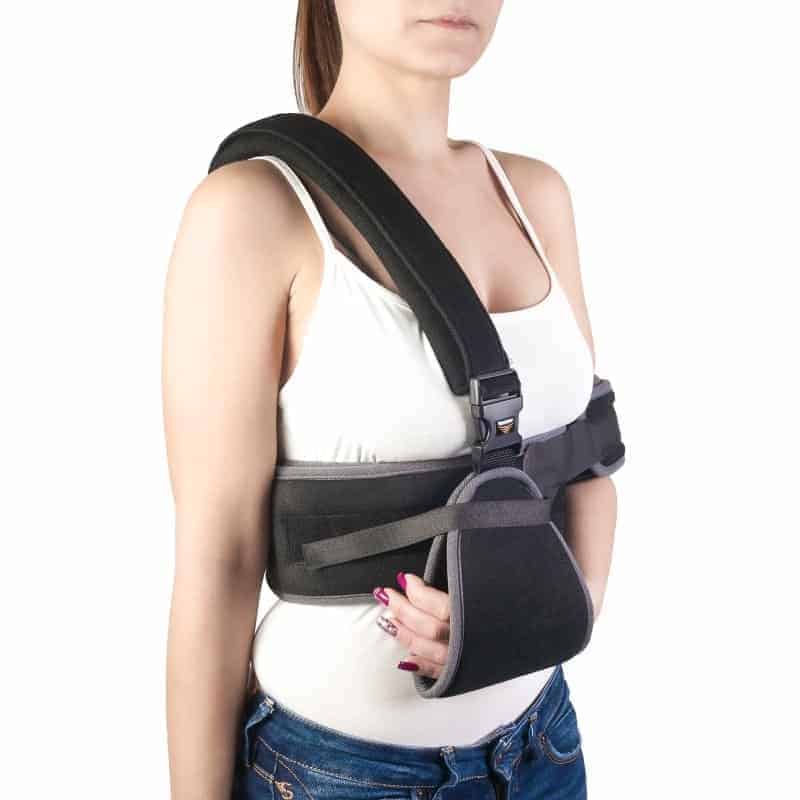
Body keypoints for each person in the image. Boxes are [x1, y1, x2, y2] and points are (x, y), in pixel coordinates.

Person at [163, 2, 619, 798]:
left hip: (542, 748)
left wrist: (532, 621)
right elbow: (218, 560)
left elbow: (586, 467)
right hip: (337, 772)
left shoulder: (536, 195)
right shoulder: (252, 211)